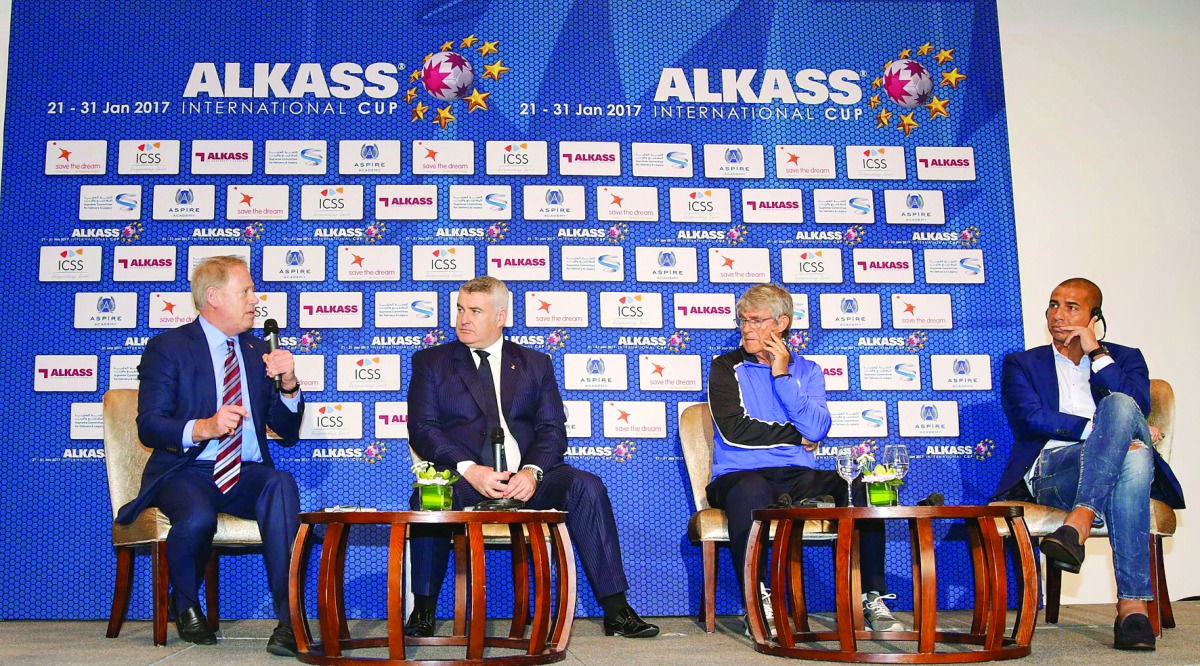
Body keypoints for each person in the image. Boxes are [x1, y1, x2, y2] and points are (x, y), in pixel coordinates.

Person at [404, 276, 658, 639]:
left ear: (501, 316)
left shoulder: (536, 363)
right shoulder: (432, 362)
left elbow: (553, 429)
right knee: (429, 498)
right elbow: (424, 429)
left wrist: (533, 471)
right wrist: (469, 470)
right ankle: (424, 611)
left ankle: (616, 609)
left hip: (527, 480)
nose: (463, 319)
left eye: (475, 311)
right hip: (466, 479)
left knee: (587, 486)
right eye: (460, 309)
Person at [115, 256, 305, 657]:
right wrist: (204, 426)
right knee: (198, 517)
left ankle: (289, 621)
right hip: (187, 470)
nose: (256, 300)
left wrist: (288, 385)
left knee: (281, 484)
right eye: (247, 291)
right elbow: (150, 425)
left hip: (245, 472)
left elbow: (286, 432)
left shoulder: (257, 352)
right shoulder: (169, 347)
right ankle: (183, 601)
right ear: (214, 297)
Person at [995, 277, 1185, 651]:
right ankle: (1132, 607)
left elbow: (1136, 407)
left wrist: (1097, 354)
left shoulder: (1125, 357)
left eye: (1071, 307)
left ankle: (1079, 521)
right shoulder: (1023, 363)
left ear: (1094, 317)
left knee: (1126, 433)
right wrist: (1101, 431)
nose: (1058, 315)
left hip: (1116, 468)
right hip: (1052, 469)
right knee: (1129, 447)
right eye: (1053, 305)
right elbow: (1031, 419)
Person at [706, 283, 901, 635]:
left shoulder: (807, 370)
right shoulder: (725, 367)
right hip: (739, 474)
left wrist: (782, 376)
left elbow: (819, 426)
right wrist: (797, 434)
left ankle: (869, 596)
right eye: (742, 321)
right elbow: (736, 430)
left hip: (796, 473)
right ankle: (758, 601)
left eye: (756, 321)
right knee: (750, 488)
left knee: (860, 485)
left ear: (781, 323)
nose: (746, 328)